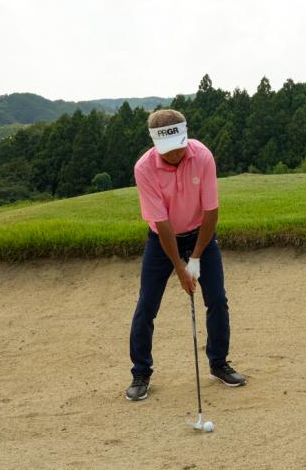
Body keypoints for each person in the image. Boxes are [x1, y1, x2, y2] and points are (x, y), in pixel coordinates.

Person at [126, 109, 246, 401]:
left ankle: (219, 363)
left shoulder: (202, 156)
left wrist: (196, 257)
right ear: (155, 143)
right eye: (167, 150)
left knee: (216, 299)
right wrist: (180, 268)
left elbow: (211, 212)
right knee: (147, 305)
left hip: (201, 234)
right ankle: (141, 372)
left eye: (178, 147)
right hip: (162, 240)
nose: (175, 155)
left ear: (185, 136)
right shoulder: (144, 168)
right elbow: (162, 224)